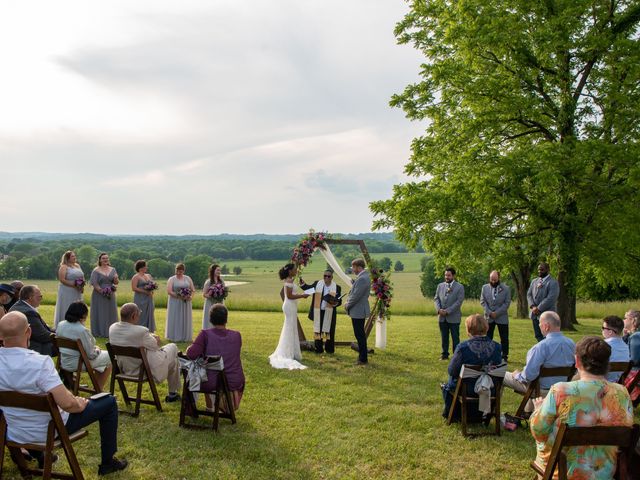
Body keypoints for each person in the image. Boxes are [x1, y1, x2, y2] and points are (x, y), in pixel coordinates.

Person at [0, 311, 128, 475]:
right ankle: (108, 462)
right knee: (109, 402)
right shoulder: (39, 363)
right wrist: (79, 403)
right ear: (28, 331)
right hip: (47, 431)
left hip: (13, 431)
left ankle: (38, 453)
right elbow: (68, 405)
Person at [530, 336, 633, 479]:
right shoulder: (622, 392)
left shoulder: (560, 391)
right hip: (604, 472)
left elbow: (539, 432)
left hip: (563, 472)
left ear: (577, 361)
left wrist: (537, 410)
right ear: (607, 363)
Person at [503, 311, 575, 414]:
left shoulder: (541, 347)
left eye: (540, 324)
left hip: (541, 390)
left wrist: (517, 375)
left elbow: (528, 376)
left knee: (502, 375)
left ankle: (486, 413)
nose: (539, 326)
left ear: (546, 326)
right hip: (562, 389)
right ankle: (528, 412)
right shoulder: (571, 344)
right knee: (533, 383)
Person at [109, 303, 181, 402]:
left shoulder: (112, 328)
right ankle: (173, 392)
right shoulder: (141, 331)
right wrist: (155, 338)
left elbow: (133, 335)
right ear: (134, 315)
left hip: (123, 369)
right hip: (142, 371)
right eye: (139, 313)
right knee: (173, 347)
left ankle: (173, 393)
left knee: (173, 361)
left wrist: (149, 336)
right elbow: (156, 346)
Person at [442, 314, 502, 421]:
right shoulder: (497, 347)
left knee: (451, 382)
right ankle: (481, 415)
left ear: (468, 329)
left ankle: (455, 414)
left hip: (467, 389)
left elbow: (452, 370)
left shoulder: (463, 347)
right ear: (486, 327)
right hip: (489, 388)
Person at [186, 304, 245, 411]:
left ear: (210, 319)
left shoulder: (205, 334)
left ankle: (194, 407)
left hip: (212, 382)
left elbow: (191, 354)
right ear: (226, 319)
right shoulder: (237, 335)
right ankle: (211, 407)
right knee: (207, 369)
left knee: (195, 368)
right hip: (234, 380)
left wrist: (191, 347)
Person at [56, 302, 112, 391]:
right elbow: (91, 355)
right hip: (78, 363)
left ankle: (97, 389)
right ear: (83, 315)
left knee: (102, 361)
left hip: (63, 362)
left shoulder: (61, 324)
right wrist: (97, 350)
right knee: (110, 357)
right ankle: (98, 389)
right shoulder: (82, 330)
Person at [269, 263, 309, 369]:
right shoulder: (289, 280)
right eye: (295, 269)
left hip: (291, 306)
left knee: (291, 328)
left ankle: (292, 350)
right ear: (290, 271)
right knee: (289, 328)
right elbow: (290, 296)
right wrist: (303, 295)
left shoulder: (290, 278)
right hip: (289, 306)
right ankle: (287, 352)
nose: (296, 270)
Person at [300, 270, 342, 354]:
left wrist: (336, 303)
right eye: (325, 276)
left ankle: (329, 349)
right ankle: (318, 349)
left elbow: (339, 301)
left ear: (332, 277)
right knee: (318, 331)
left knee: (329, 331)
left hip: (330, 312)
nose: (326, 277)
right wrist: (303, 284)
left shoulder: (337, 287)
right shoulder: (317, 284)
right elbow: (309, 289)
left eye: (328, 276)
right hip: (318, 312)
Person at [9, 285, 56, 356]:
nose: (41, 299)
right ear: (30, 298)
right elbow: (42, 336)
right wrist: (61, 336)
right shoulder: (29, 312)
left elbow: (44, 328)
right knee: (68, 347)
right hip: (33, 347)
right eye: (40, 296)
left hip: (19, 344)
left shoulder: (18, 305)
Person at [434, 267, 465, 360]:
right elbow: (436, 299)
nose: (446, 277)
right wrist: (439, 310)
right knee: (444, 336)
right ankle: (444, 355)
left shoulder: (460, 287)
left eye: (449, 275)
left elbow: (459, 302)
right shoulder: (440, 286)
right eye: (445, 275)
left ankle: (456, 356)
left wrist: (447, 311)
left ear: (453, 276)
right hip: (442, 317)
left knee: (455, 337)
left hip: (454, 317)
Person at [345, 258, 371, 365]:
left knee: (359, 335)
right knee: (360, 334)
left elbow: (356, 296)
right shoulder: (363, 277)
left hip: (358, 310)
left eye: (354, 267)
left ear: (359, 267)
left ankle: (363, 359)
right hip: (359, 309)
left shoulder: (362, 279)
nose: (352, 269)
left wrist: (347, 305)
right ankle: (362, 357)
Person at [480, 270, 510, 361]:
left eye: (495, 280)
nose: (493, 281)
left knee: (504, 338)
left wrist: (497, 313)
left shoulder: (506, 288)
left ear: (499, 278)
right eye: (491, 279)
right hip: (488, 317)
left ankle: (504, 355)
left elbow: (507, 303)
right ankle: (487, 354)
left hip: (502, 317)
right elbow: (482, 301)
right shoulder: (484, 288)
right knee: (487, 337)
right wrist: (489, 312)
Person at [527, 262, 559, 342]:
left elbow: (551, 298)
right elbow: (529, 294)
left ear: (548, 270)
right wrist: (533, 307)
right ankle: (542, 352)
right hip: (534, 314)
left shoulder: (553, 282)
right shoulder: (534, 281)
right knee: (538, 336)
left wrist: (539, 308)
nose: (539, 271)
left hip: (547, 315)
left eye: (542, 270)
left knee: (547, 337)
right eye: (538, 270)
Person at [90, 253, 119, 338]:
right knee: (100, 312)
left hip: (111, 294)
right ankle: (100, 331)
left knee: (111, 312)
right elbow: (94, 284)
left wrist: (116, 279)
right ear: (100, 260)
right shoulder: (96, 270)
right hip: (99, 295)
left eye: (107, 258)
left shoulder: (113, 269)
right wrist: (102, 292)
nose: (105, 260)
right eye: (103, 258)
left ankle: (111, 331)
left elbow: (116, 282)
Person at [53, 250, 85, 327]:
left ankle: (77, 323)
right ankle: (64, 325)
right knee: (67, 306)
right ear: (67, 258)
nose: (75, 257)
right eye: (72, 256)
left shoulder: (77, 265)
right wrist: (75, 285)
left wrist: (82, 285)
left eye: (75, 256)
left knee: (77, 306)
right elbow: (62, 279)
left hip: (77, 291)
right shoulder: (63, 267)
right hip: (66, 290)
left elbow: (82, 277)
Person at [165, 263, 195, 342]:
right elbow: (169, 291)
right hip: (175, 301)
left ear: (183, 271)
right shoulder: (172, 279)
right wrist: (180, 296)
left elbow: (193, 290)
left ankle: (185, 336)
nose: (178, 273)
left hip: (186, 302)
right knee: (176, 317)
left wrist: (190, 297)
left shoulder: (188, 278)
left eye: (180, 271)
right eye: (177, 271)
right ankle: (175, 336)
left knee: (185, 317)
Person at [600, 315, 630, 382]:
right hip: (617, 387)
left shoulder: (600, 346)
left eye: (603, 328)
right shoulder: (627, 348)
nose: (602, 330)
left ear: (610, 332)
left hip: (599, 385)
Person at [131, 259, 156, 332]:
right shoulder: (136, 276)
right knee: (141, 313)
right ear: (141, 267)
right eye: (145, 266)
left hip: (149, 297)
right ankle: (139, 330)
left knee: (150, 312)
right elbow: (134, 288)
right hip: (140, 298)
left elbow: (152, 285)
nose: (146, 268)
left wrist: (152, 290)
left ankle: (149, 330)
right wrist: (145, 292)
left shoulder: (148, 276)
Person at [202, 264, 225, 330]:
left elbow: (224, 291)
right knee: (210, 319)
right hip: (210, 303)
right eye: (217, 270)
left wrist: (221, 295)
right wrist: (211, 295)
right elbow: (204, 294)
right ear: (213, 271)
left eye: (220, 270)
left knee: (219, 318)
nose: (219, 272)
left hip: (219, 303)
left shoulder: (222, 281)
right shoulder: (208, 282)